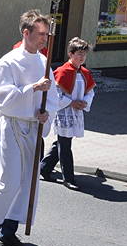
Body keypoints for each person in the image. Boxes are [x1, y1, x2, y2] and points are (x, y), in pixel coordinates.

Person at [0, 11, 60, 246]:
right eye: (40, 34)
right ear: (26, 33)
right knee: (9, 181)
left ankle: (9, 231)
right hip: (11, 125)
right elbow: (2, 99)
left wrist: (46, 114)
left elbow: (53, 98)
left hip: (33, 127)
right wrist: (32, 88)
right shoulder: (8, 62)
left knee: (27, 182)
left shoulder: (43, 63)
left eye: (47, 34)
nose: (45, 39)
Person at [40, 37, 96, 191]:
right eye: (79, 53)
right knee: (65, 145)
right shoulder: (62, 71)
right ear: (70, 54)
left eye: (84, 54)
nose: (82, 57)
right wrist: (71, 103)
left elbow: (90, 91)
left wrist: (85, 101)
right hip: (64, 111)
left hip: (77, 111)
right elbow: (55, 94)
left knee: (62, 142)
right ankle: (68, 178)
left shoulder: (85, 72)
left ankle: (44, 168)